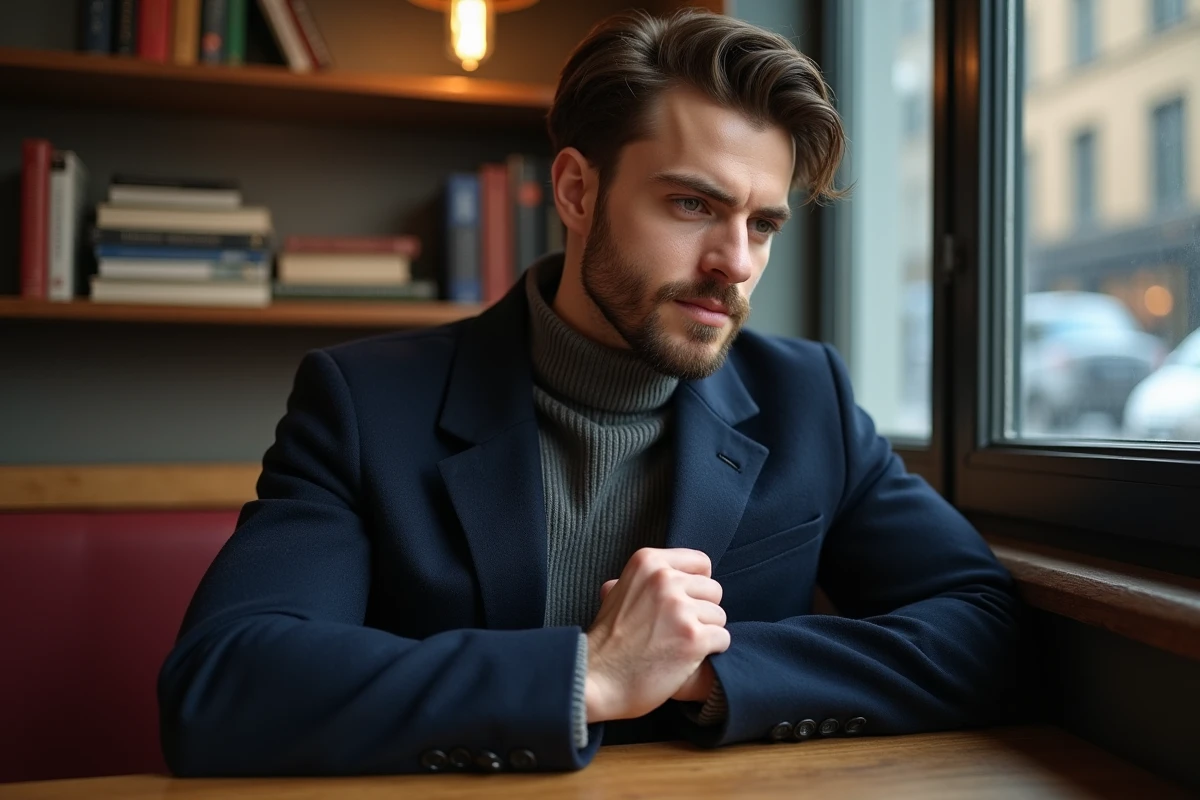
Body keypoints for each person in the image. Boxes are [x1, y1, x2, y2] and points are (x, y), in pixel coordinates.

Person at [159, 8, 1026, 777]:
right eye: (693, 205)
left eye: (762, 223)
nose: (737, 262)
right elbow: (225, 683)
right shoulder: (363, 404)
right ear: (577, 190)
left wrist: (708, 671)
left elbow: (988, 633)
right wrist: (590, 676)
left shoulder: (812, 401)